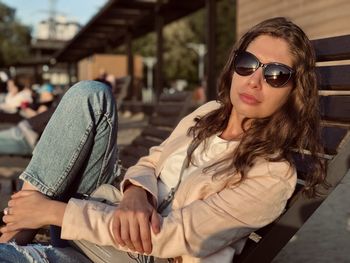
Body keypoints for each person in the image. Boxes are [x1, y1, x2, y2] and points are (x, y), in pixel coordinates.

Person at [0, 17, 327, 263]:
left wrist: (55, 213)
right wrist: (137, 194)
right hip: (107, 207)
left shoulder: (271, 173)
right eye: (248, 64)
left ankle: (20, 230)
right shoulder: (210, 112)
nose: (254, 81)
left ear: (294, 91)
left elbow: (173, 236)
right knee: (90, 93)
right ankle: (21, 227)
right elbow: (150, 161)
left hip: (141, 253)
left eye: (275, 74)